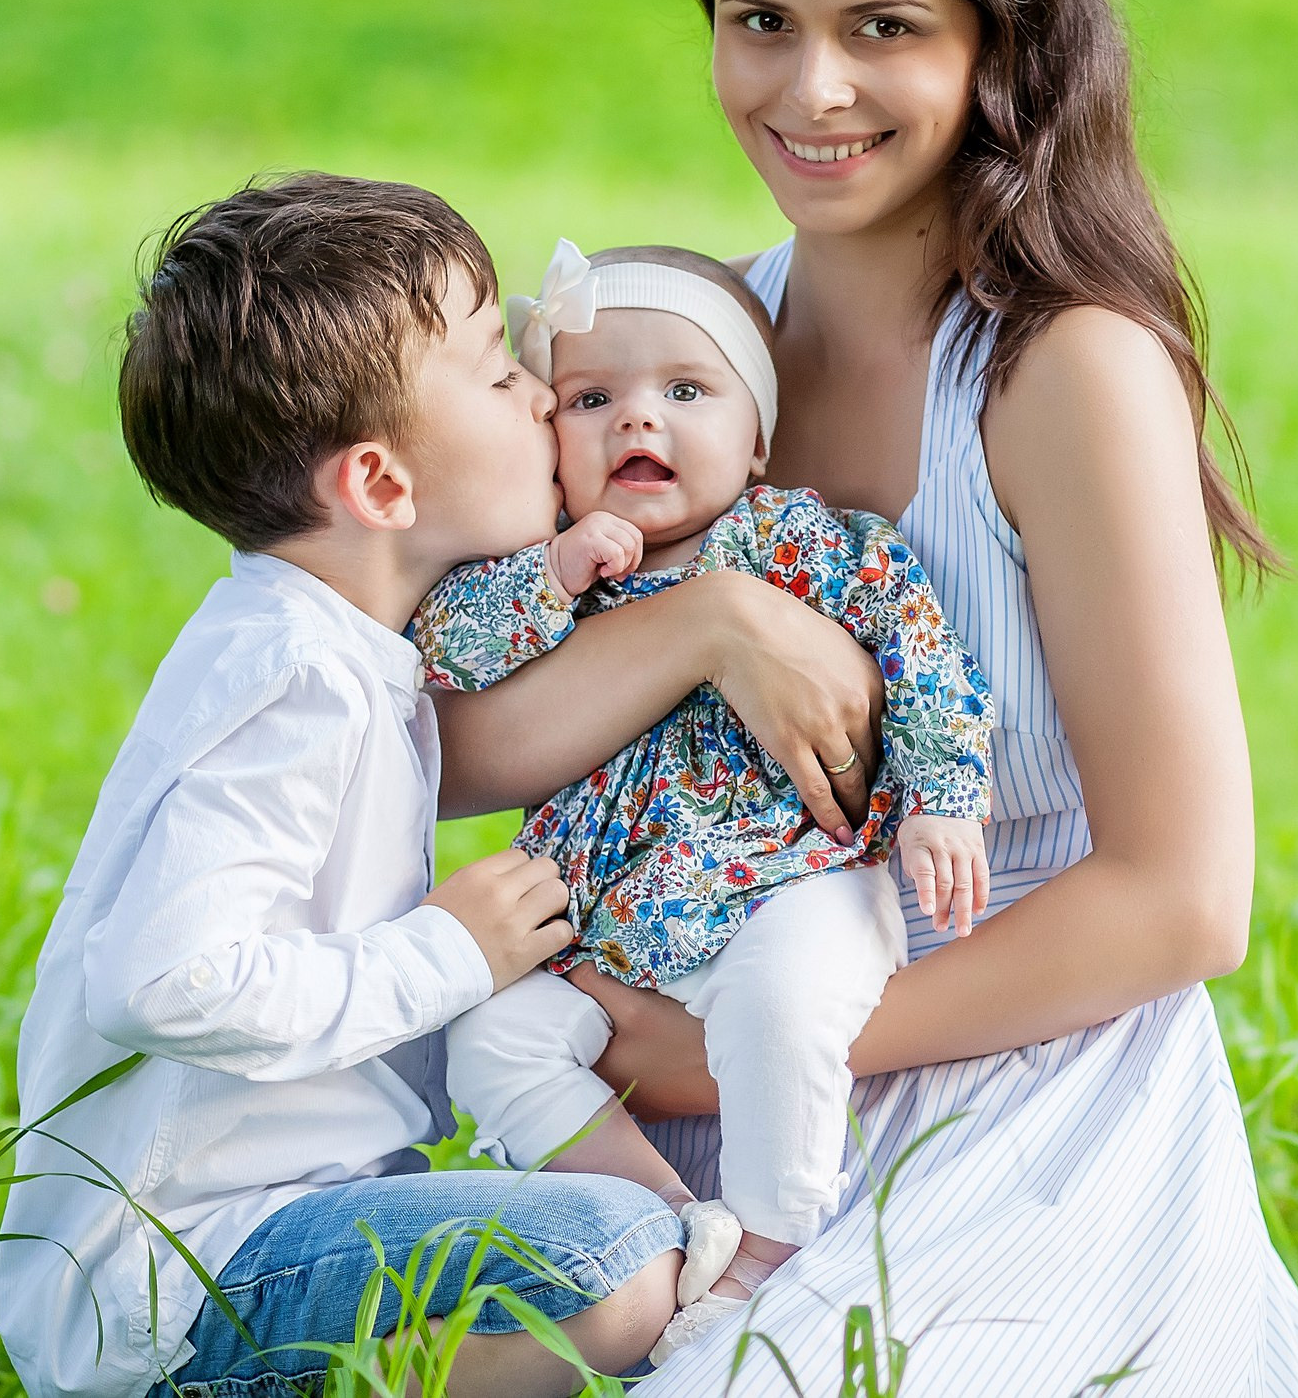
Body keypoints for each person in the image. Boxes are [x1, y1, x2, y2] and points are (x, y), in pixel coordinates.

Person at [432, 0, 1298, 1396]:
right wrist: (713, 621)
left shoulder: (1058, 371)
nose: (811, 92)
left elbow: (1183, 894)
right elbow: (468, 746)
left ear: (1002, 40)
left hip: (1018, 1078)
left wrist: (742, 1053)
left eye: (884, 30)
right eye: (758, 24)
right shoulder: (676, 362)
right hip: (665, 1080)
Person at [0, 175, 684, 1398]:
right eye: (494, 372)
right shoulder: (294, 675)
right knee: (616, 1260)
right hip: (177, 1274)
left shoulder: (343, 646)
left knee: (625, 1245)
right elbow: (165, 976)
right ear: (378, 488)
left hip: (269, 1232)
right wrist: (445, 955)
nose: (539, 394)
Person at [414, 240, 994, 1360]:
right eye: (592, 399)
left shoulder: (801, 543)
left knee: (788, 1009)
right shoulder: (541, 566)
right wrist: (555, 573)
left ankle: (776, 1250)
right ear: (548, 440)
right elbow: (447, 658)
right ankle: (675, 1228)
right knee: (486, 1035)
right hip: (599, 913)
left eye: (686, 392)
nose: (640, 421)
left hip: (792, 874)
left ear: (757, 437)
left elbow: (922, 650)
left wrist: (941, 796)